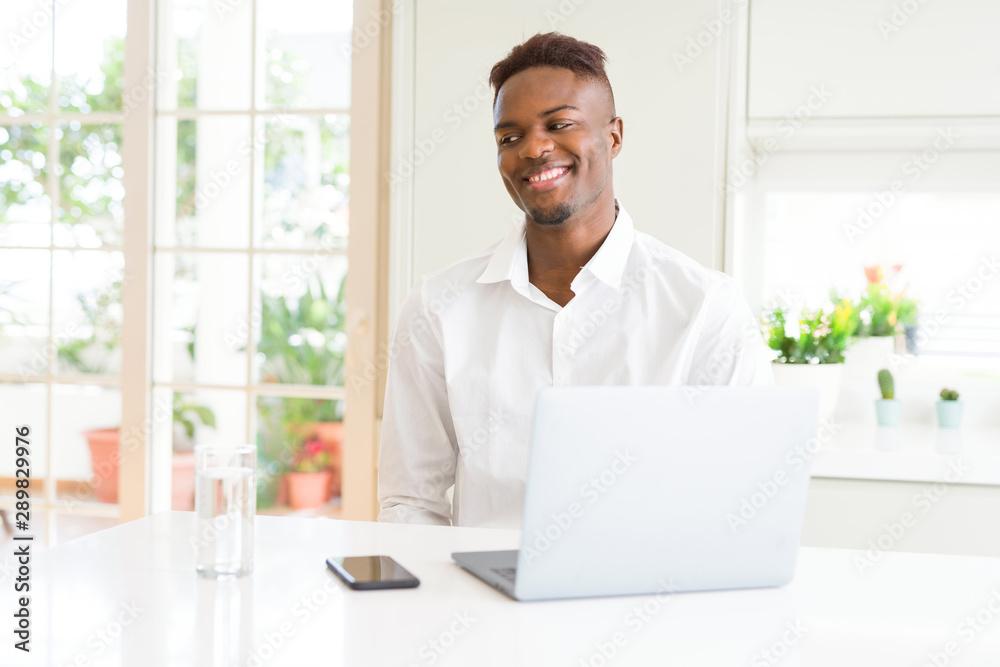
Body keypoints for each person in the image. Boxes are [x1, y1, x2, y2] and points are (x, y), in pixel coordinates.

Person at [377, 32, 772, 529]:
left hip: (645, 595)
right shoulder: (438, 307)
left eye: (559, 124)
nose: (534, 148)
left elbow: (744, 496)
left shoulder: (704, 308)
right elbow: (411, 503)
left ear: (613, 136)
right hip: (479, 599)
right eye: (509, 137)